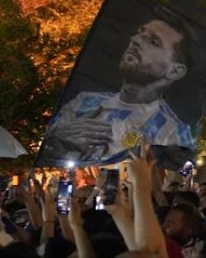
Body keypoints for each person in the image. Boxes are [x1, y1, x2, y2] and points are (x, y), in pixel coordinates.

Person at [42, 14, 196, 164]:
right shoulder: (84, 102)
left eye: (154, 42)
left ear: (175, 71)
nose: (135, 40)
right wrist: (56, 141)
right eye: (139, 33)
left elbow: (183, 178)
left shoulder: (175, 133)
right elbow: (43, 153)